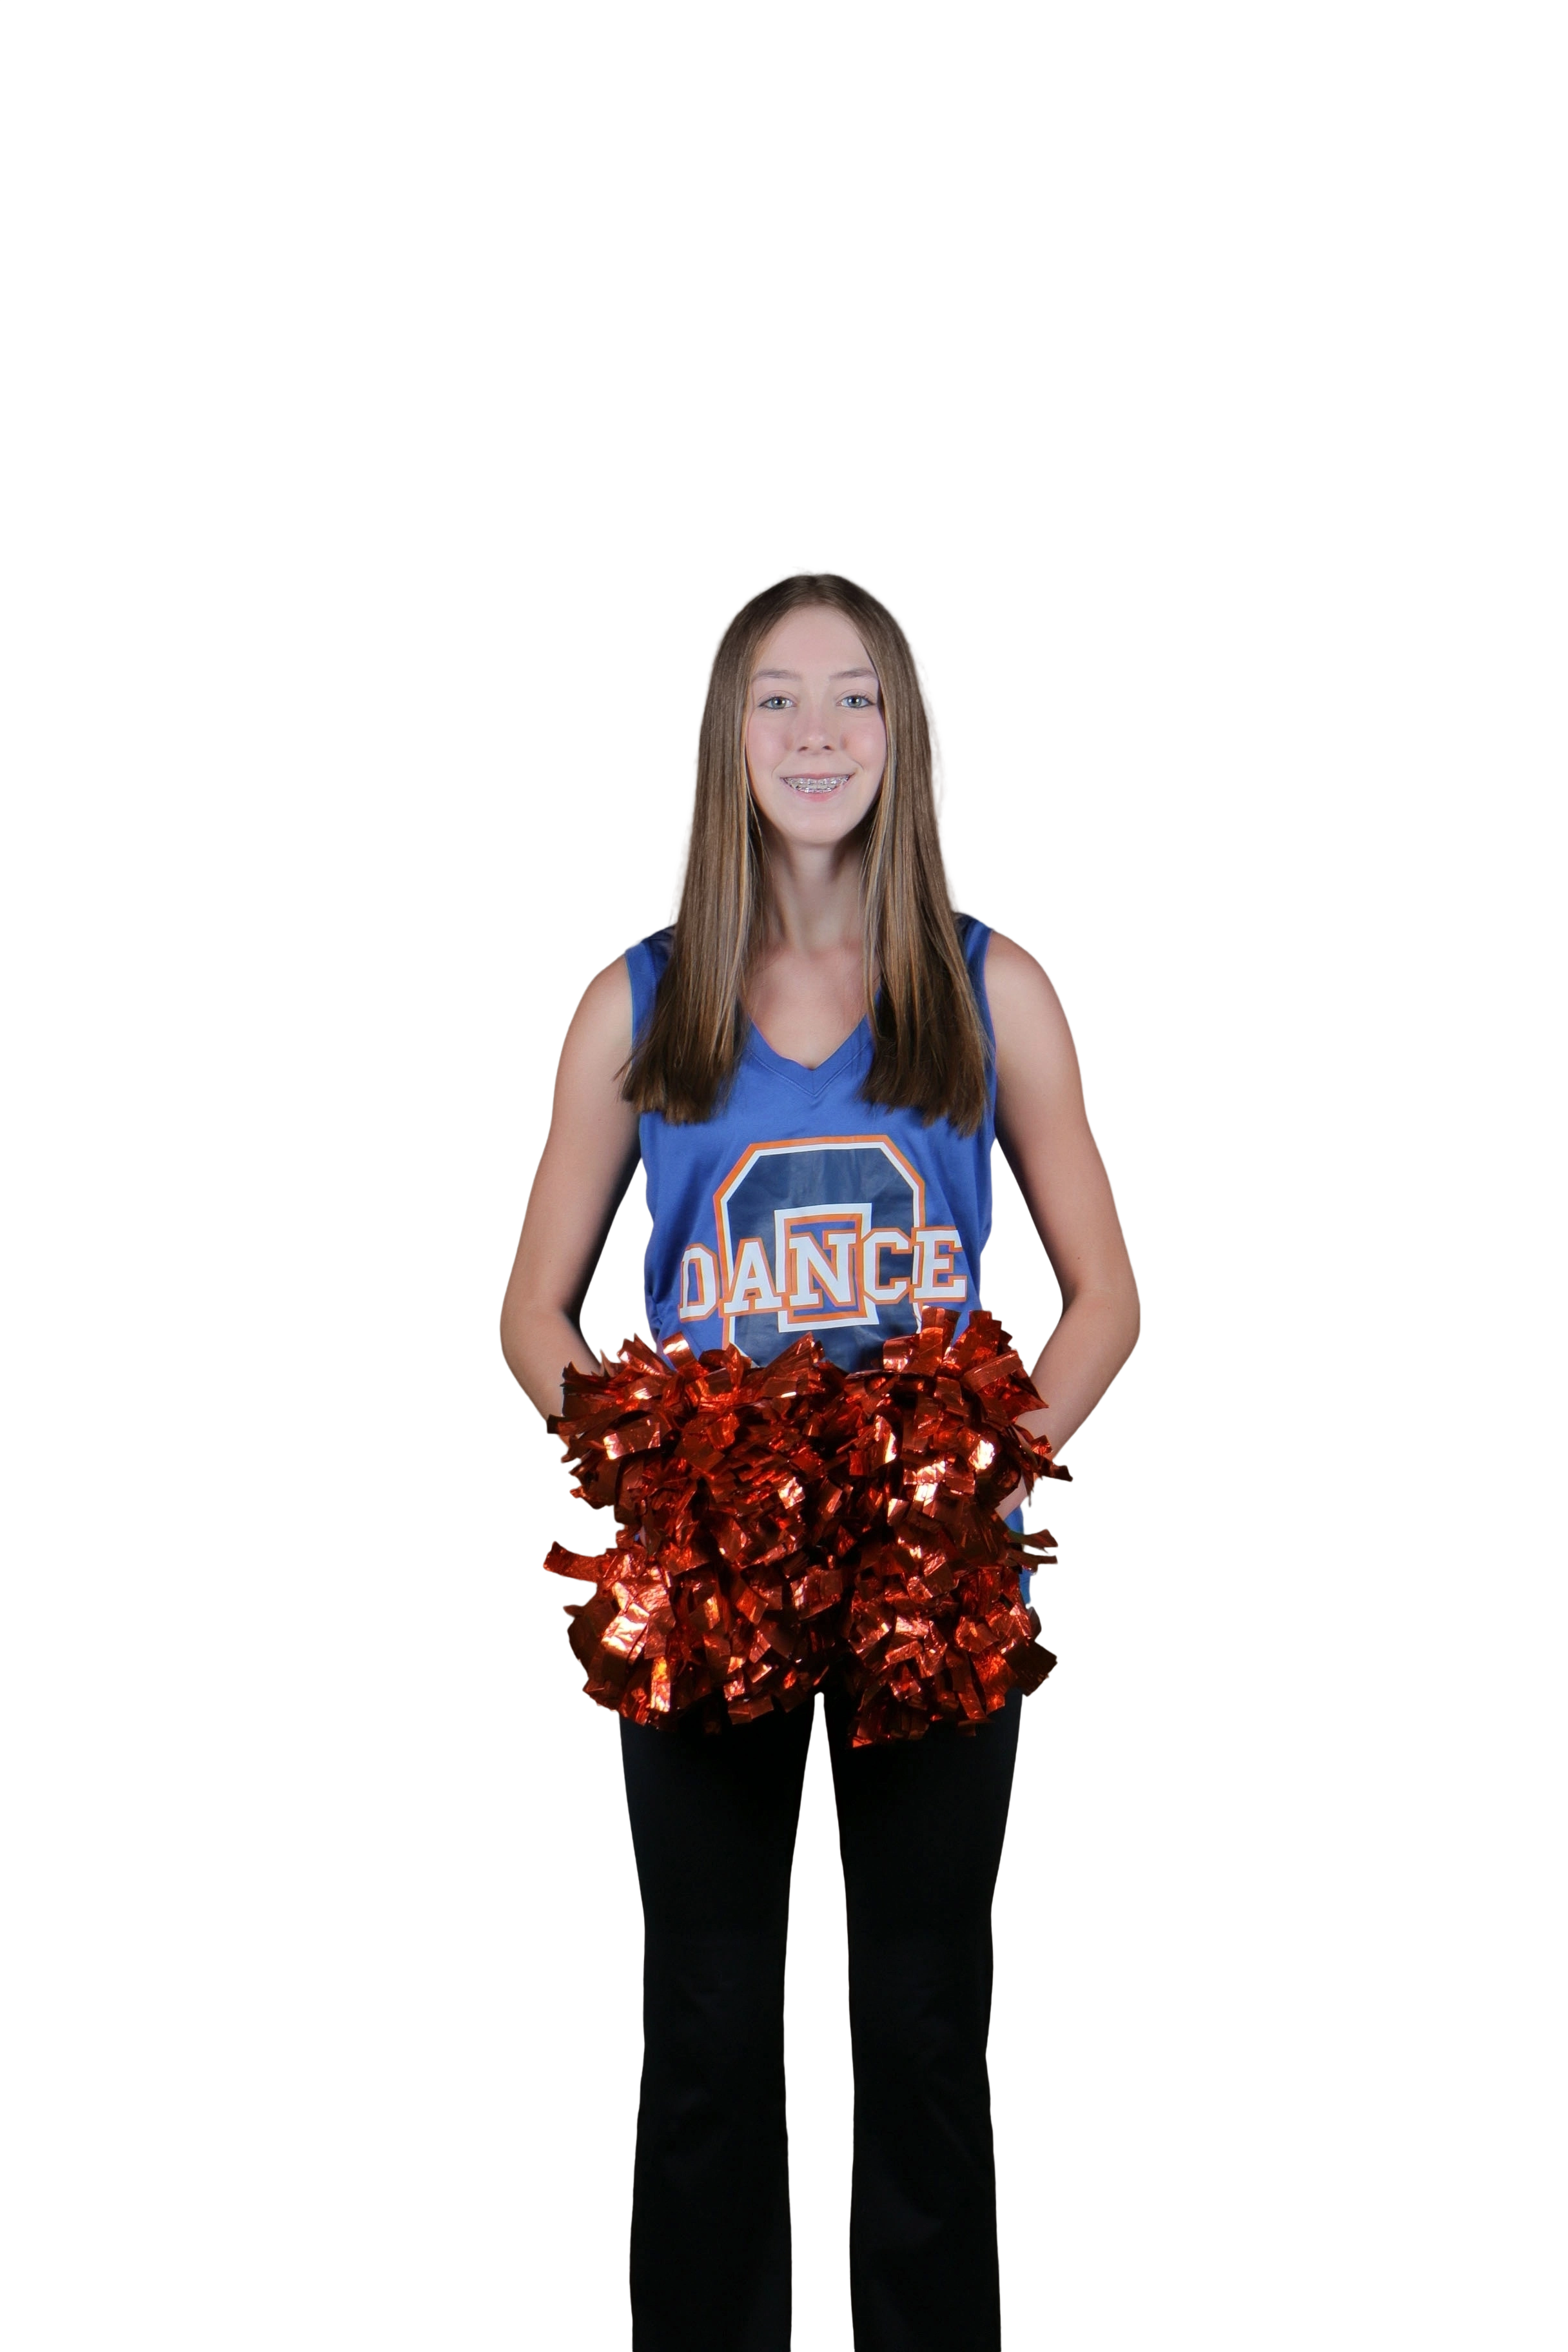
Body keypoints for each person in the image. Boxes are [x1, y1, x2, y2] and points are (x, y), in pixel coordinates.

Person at [496, 564, 1144, 2350]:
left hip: (933, 1599)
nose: (815, 732)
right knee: (707, 2033)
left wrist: (978, 1487)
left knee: (925, 2031)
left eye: (854, 695)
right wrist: (661, 1490)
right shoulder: (638, 1002)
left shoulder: (991, 988)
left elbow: (1106, 1298)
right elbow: (534, 1312)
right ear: (727, 736)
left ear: (905, 735)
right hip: (711, 1603)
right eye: (776, 696)